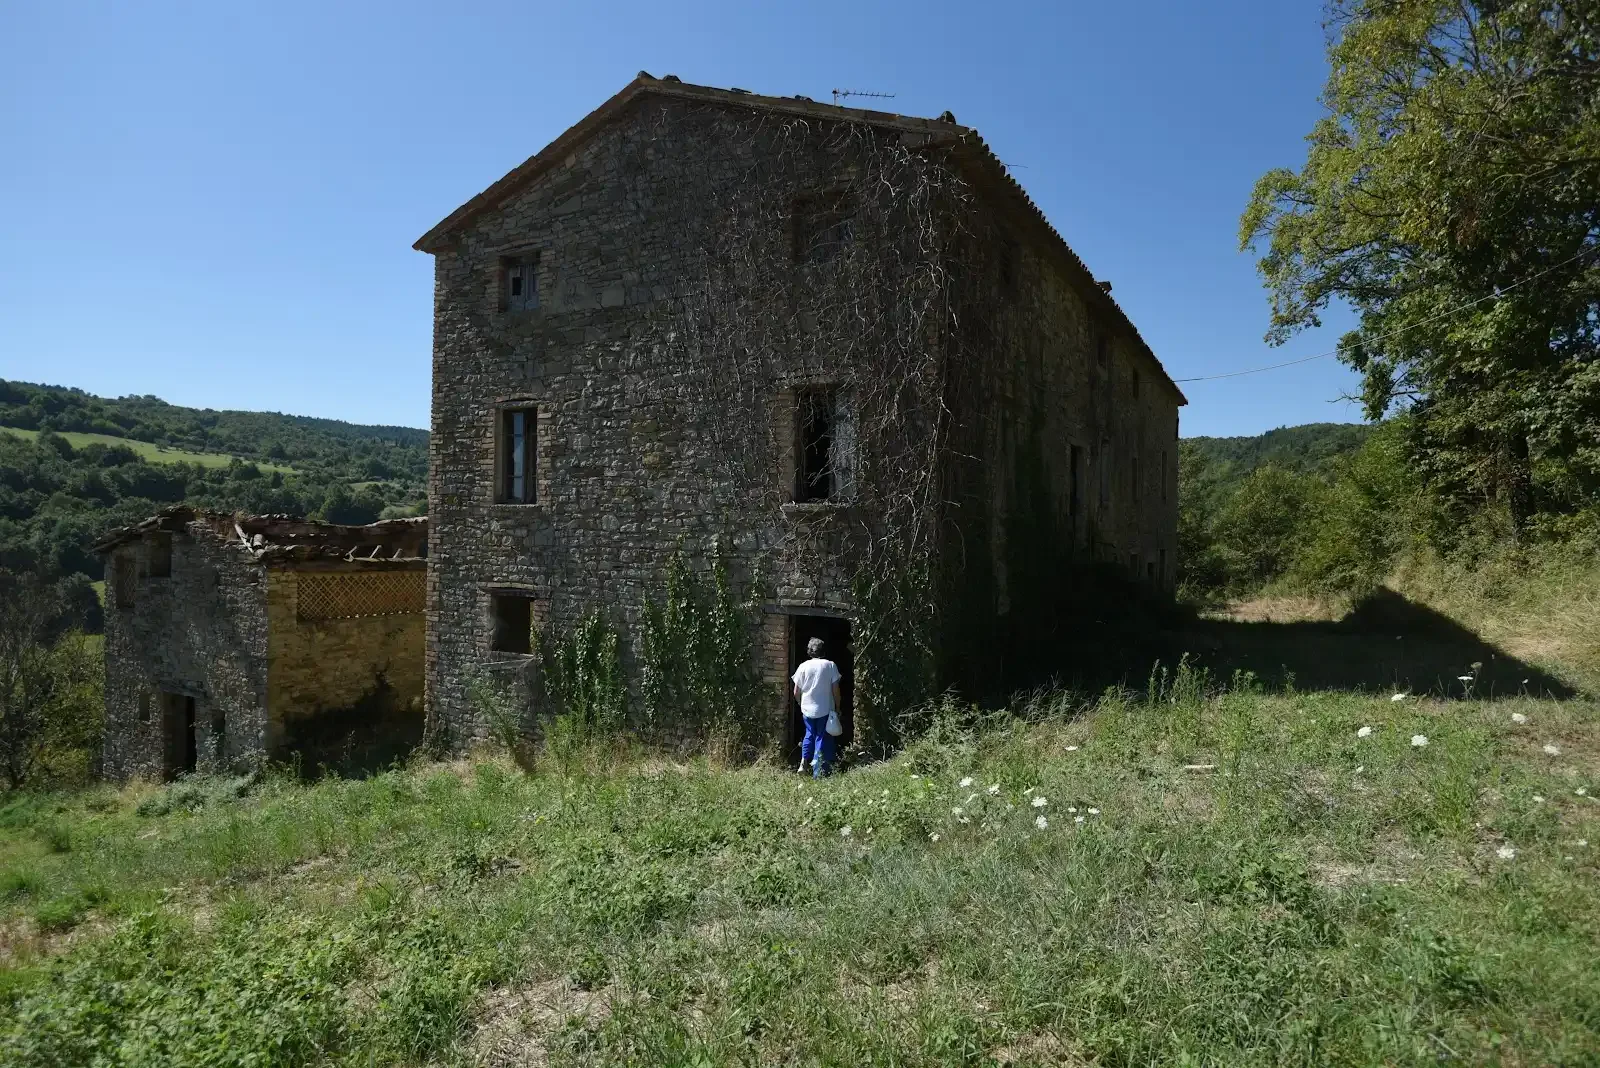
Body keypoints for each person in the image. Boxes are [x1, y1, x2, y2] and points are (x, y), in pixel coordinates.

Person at [791, 637, 842, 777]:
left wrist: (800, 703)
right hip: (825, 709)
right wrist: (838, 707)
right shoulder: (830, 665)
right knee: (821, 737)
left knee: (809, 734)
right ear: (823, 651)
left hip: (807, 709)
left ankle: (804, 762)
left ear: (809, 651)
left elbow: (796, 691)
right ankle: (818, 772)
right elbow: (835, 690)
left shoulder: (803, 666)